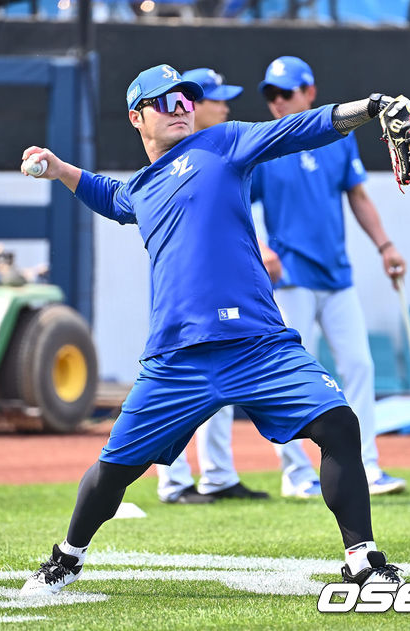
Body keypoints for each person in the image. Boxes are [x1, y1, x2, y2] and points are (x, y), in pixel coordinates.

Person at [19, 63, 405, 596]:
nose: (182, 108)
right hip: (177, 359)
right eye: (166, 102)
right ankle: (67, 557)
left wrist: (366, 107)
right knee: (114, 471)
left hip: (258, 345)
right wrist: (62, 169)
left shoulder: (223, 143)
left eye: (185, 100)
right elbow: (113, 199)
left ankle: (363, 558)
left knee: (339, 425)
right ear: (137, 117)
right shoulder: (144, 188)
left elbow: (298, 129)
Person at [253, 56, 407, 498]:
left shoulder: (339, 138)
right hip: (291, 277)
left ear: (310, 92)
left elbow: (358, 196)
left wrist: (386, 246)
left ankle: (368, 467)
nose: (278, 102)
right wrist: (261, 248)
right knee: (292, 374)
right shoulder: (265, 144)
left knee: (359, 366)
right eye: (271, 95)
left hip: (337, 275)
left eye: (286, 93)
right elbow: (238, 204)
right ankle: (296, 473)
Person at [156, 67, 269, 503]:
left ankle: (218, 476)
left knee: (221, 381)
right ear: (192, 107)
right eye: (215, 98)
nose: (224, 106)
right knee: (178, 383)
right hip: (183, 293)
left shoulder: (224, 148)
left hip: (221, 289)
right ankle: (175, 481)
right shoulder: (172, 158)